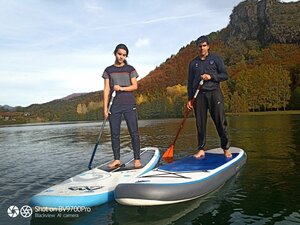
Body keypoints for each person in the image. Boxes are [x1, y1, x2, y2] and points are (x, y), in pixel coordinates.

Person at [187, 35, 232, 158]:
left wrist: (211, 77)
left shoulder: (216, 59)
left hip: (214, 93)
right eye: (200, 46)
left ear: (208, 46)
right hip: (199, 96)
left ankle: (225, 148)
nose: (202, 48)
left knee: (220, 121)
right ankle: (201, 149)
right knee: (200, 123)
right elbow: (190, 82)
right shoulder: (193, 63)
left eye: (204, 46)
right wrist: (190, 99)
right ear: (197, 48)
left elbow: (224, 75)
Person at [102, 44, 142, 169]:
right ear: (115, 53)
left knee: (134, 132)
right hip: (114, 106)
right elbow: (106, 89)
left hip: (129, 103)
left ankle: (137, 159)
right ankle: (116, 159)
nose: (121, 57)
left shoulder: (130, 69)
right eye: (119, 54)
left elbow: (135, 86)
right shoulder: (108, 70)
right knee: (115, 134)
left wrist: (122, 88)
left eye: (124, 55)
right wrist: (105, 108)